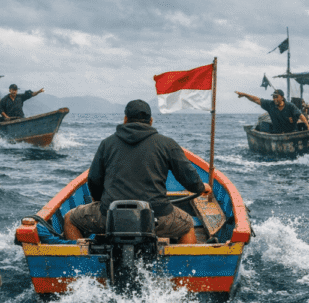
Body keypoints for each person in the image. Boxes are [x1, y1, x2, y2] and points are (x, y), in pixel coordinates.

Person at [63, 99, 211, 244]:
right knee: (187, 225)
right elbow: (188, 178)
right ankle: (183, 266)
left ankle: (85, 263)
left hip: (110, 216)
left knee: (70, 218)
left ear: (125, 119)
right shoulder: (167, 144)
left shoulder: (107, 144)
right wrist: (201, 187)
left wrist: (100, 202)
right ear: (151, 121)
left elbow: (94, 179)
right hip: (157, 217)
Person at [235, 89, 309, 133]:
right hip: (277, 133)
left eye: (276, 97)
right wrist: (245, 95)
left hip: (291, 132)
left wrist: (308, 126)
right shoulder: (270, 105)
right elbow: (257, 100)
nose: (274, 99)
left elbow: (300, 115)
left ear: (282, 97)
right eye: (273, 97)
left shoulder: (290, 106)